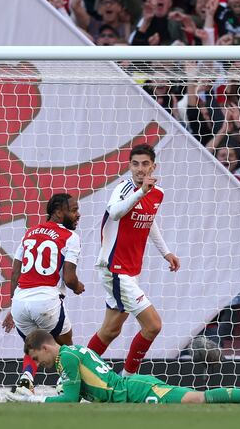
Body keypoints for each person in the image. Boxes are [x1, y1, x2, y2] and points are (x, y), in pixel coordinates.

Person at [85, 144, 180, 376]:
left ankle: (76, 375)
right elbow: (116, 212)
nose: (140, 169)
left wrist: (165, 251)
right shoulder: (124, 188)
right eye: (135, 164)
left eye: (145, 164)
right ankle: (127, 378)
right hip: (114, 268)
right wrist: (140, 193)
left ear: (153, 166)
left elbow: (150, 220)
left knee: (110, 330)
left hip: (130, 270)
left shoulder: (158, 193)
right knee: (153, 325)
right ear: (129, 166)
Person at [15, 330, 240, 405]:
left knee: (198, 398)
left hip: (135, 392)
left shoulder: (67, 358)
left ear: (45, 347)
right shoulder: (71, 353)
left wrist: (35, 399)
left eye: (37, 359)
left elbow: (69, 399)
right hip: (124, 396)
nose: (40, 365)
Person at [4, 193, 86, 400]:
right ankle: (64, 384)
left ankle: (25, 381)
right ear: (59, 212)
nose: (78, 215)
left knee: (33, 345)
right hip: (46, 300)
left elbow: (15, 273)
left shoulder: (29, 233)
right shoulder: (70, 237)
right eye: (74, 210)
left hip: (21, 302)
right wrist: (77, 286)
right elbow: (69, 278)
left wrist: (12, 306)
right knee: (66, 346)